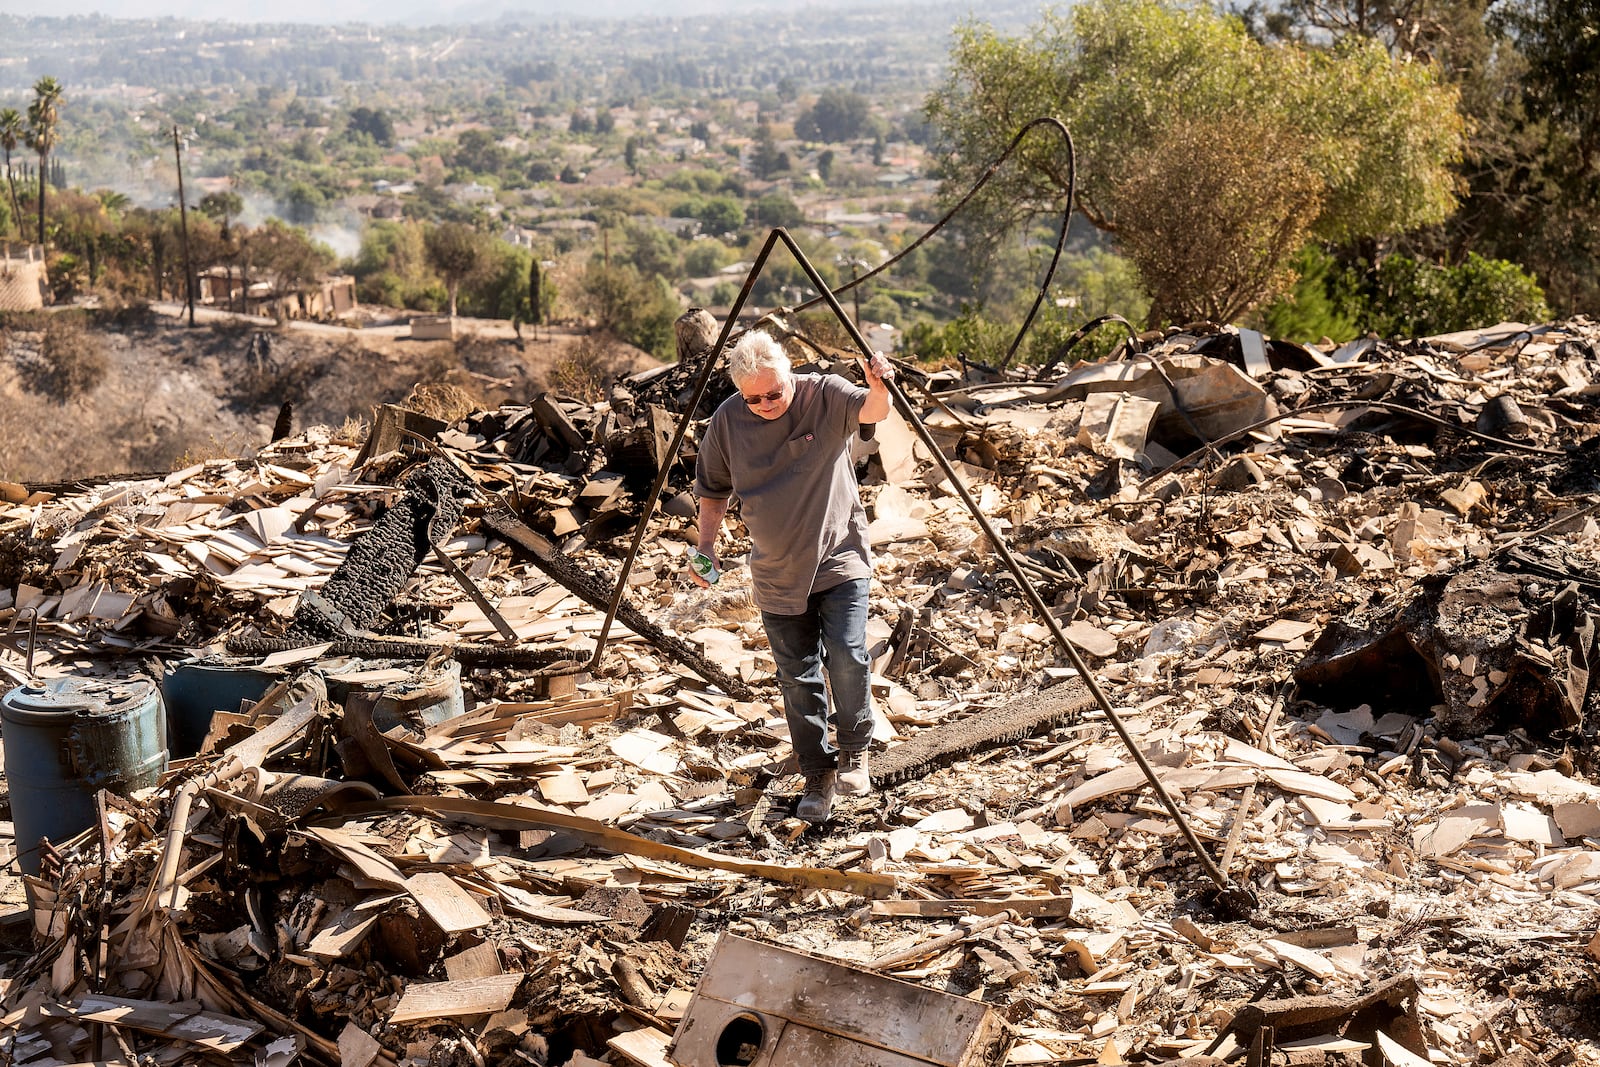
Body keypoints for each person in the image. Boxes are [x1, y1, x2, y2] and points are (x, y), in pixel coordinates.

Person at [690, 331, 895, 822]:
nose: (764, 403)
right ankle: (816, 771)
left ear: (789, 375)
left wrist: (880, 384)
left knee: (846, 654)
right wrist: (706, 546)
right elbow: (713, 489)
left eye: (773, 393)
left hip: (838, 556)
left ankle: (854, 750)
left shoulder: (823, 394)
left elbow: (873, 411)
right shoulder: (728, 420)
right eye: (752, 397)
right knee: (797, 677)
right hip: (777, 570)